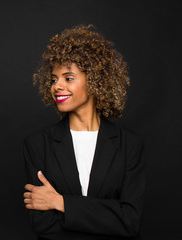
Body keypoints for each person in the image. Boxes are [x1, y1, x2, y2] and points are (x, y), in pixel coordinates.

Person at [23, 24, 146, 240]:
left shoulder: (130, 145)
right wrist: (105, 218)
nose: (57, 86)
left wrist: (61, 203)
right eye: (53, 79)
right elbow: (43, 225)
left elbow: (130, 221)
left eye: (68, 78)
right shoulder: (37, 143)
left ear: (95, 82)